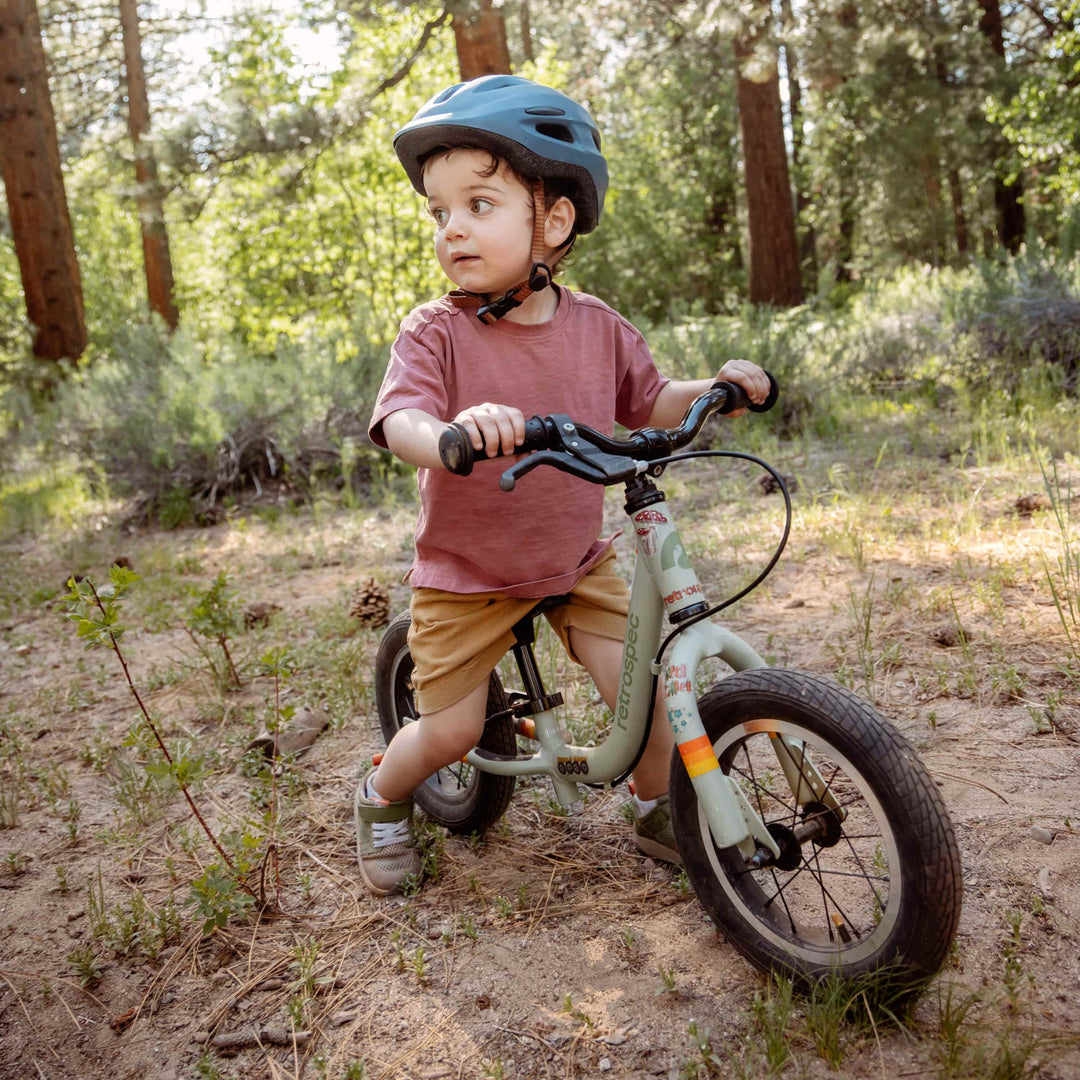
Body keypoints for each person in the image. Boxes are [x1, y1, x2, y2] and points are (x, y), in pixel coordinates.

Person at [358, 74, 769, 896]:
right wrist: (448, 435)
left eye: (478, 204)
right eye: (439, 213)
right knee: (450, 730)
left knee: (648, 694)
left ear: (553, 219)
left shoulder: (597, 326)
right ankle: (379, 796)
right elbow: (401, 418)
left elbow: (648, 400)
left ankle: (660, 807)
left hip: (576, 559)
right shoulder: (433, 332)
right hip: (469, 576)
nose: (452, 230)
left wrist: (713, 387)